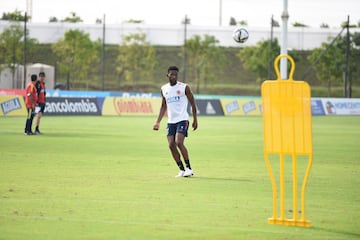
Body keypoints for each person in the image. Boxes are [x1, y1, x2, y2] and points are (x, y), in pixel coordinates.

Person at [153, 66, 198, 177]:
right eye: (171, 74)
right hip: (171, 121)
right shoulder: (164, 89)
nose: (173, 76)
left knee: (179, 142)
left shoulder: (184, 87)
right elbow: (163, 106)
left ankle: (189, 168)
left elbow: (193, 103)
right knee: (171, 145)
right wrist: (157, 122)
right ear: (167, 75)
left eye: (175, 75)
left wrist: (195, 119)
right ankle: (182, 170)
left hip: (182, 119)